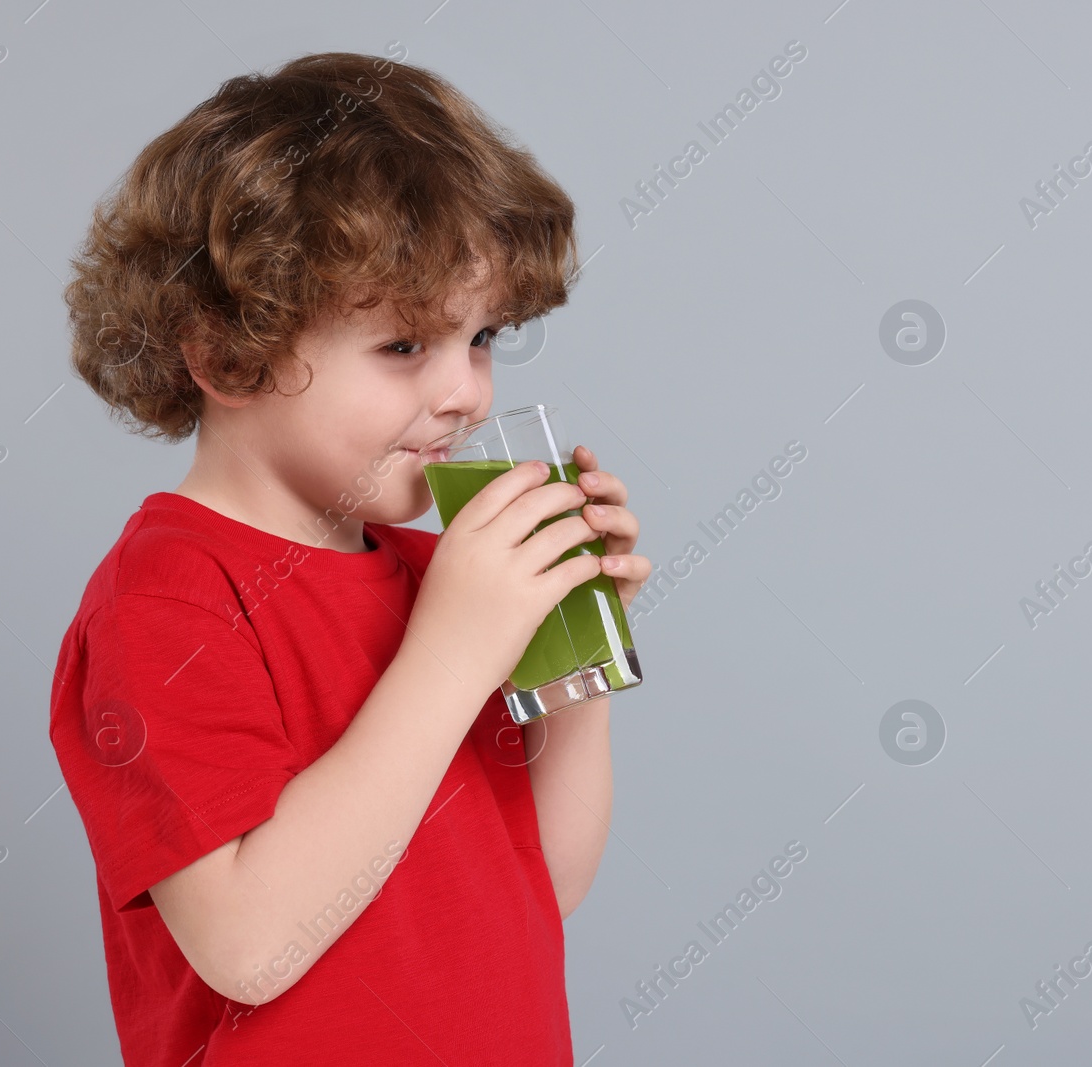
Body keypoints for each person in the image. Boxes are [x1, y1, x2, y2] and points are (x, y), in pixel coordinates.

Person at [48, 49, 650, 1066]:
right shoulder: (167, 602)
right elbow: (248, 946)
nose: (464, 392)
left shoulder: (435, 575)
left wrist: (570, 654)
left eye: (483, 337)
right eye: (406, 346)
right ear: (228, 351)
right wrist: (454, 653)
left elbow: (543, 883)